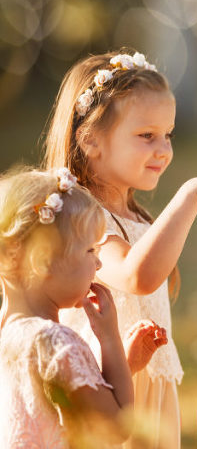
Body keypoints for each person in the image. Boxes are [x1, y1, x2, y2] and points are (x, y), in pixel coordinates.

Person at [42, 49, 197, 448]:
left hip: (151, 396)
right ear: (90, 139)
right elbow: (136, 276)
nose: (163, 149)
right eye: (147, 136)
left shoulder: (140, 220)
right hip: (106, 397)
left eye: (168, 135)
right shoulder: (81, 218)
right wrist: (190, 193)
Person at [0, 167, 134, 447]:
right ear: (43, 260)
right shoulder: (56, 342)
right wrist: (110, 338)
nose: (98, 264)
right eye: (89, 251)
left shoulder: (6, 332)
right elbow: (118, 426)